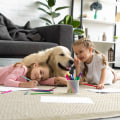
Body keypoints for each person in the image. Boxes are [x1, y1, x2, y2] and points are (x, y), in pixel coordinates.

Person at [0, 62, 67, 88]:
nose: (39, 77)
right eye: (40, 72)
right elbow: (7, 81)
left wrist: (57, 79)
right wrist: (24, 85)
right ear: (35, 65)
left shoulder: (33, 77)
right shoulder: (21, 68)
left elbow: (43, 82)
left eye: (41, 78)